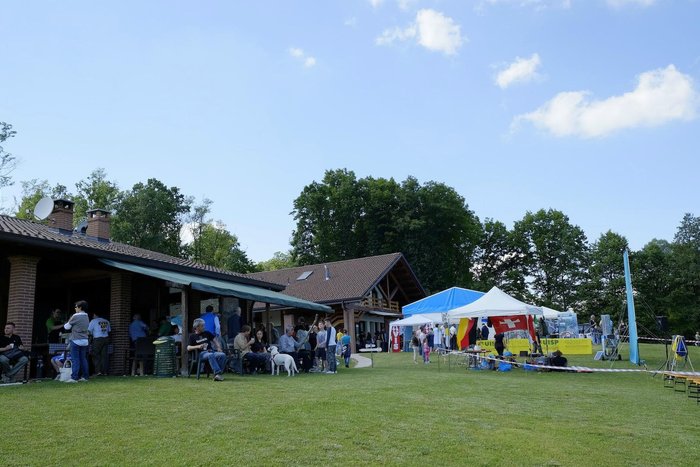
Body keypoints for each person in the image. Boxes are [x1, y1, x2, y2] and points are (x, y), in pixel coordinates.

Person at [64, 300, 90, 383]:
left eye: (76, 306)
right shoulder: (86, 316)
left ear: (80, 307)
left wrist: (70, 319)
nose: (75, 308)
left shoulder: (75, 316)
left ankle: (74, 377)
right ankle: (85, 377)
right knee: (83, 359)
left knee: (75, 359)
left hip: (76, 340)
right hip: (85, 340)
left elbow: (66, 327)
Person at [88, 311, 111, 376]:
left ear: (95, 314)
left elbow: (89, 332)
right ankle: (104, 372)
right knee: (104, 356)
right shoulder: (106, 321)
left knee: (95, 355)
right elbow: (109, 331)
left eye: (93, 315)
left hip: (97, 339)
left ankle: (98, 371)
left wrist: (89, 341)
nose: (92, 316)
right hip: (106, 338)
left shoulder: (93, 321)